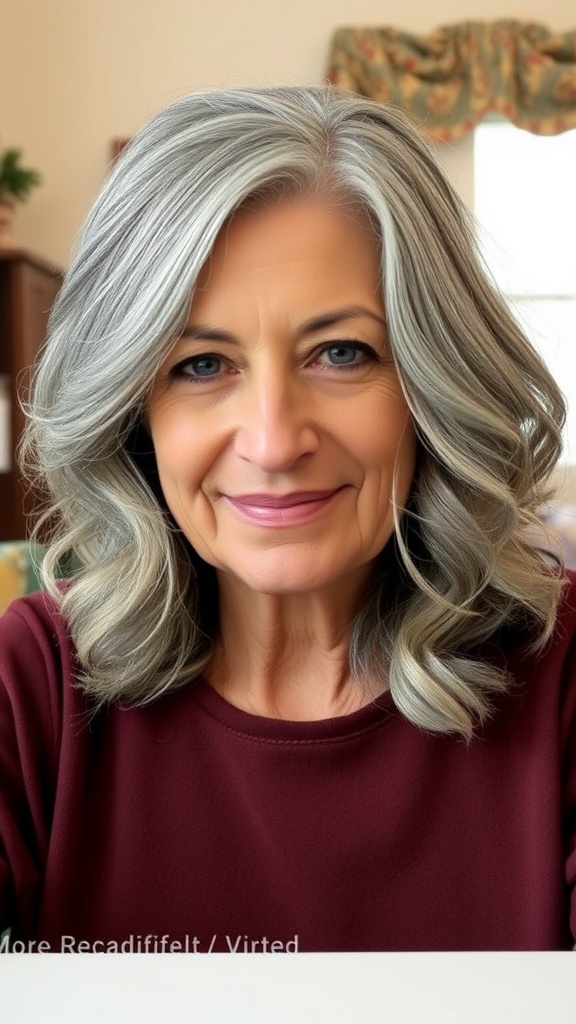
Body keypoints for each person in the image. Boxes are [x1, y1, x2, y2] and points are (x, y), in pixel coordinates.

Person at [0, 85, 574, 954]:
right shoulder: (30, 685)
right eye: (200, 364)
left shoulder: (564, 669)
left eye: (340, 353)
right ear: (133, 410)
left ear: (431, 384)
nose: (273, 441)